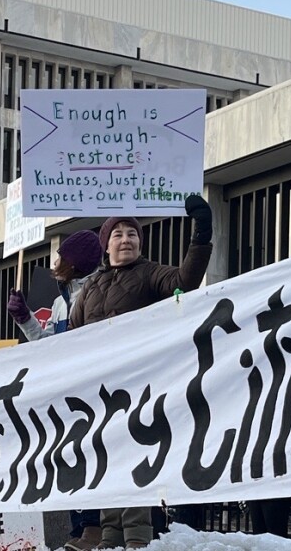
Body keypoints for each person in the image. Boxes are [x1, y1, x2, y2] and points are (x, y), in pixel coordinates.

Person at [67, 195, 214, 550]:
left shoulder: (150, 275)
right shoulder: (88, 290)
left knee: (133, 456)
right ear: (106, 246)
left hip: (137, 386)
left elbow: (186, 280)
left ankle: (136, 537)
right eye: (117, 234)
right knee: (107, 458)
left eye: (132, 233)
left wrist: (201, 233)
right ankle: (110, 533)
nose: (126, 239)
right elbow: (69, 341)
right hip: (99, 389)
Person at [6, 230, 104, 550]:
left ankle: (94, 525)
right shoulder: (61, 303)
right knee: (71, 458)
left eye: (61, 256)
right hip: (68, 393)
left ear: (75, 263)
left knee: (91, 454)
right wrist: (25, 320)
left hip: (93, 392)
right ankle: (79, 525)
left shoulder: (97, 292)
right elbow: (48, 347)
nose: (55, 262)